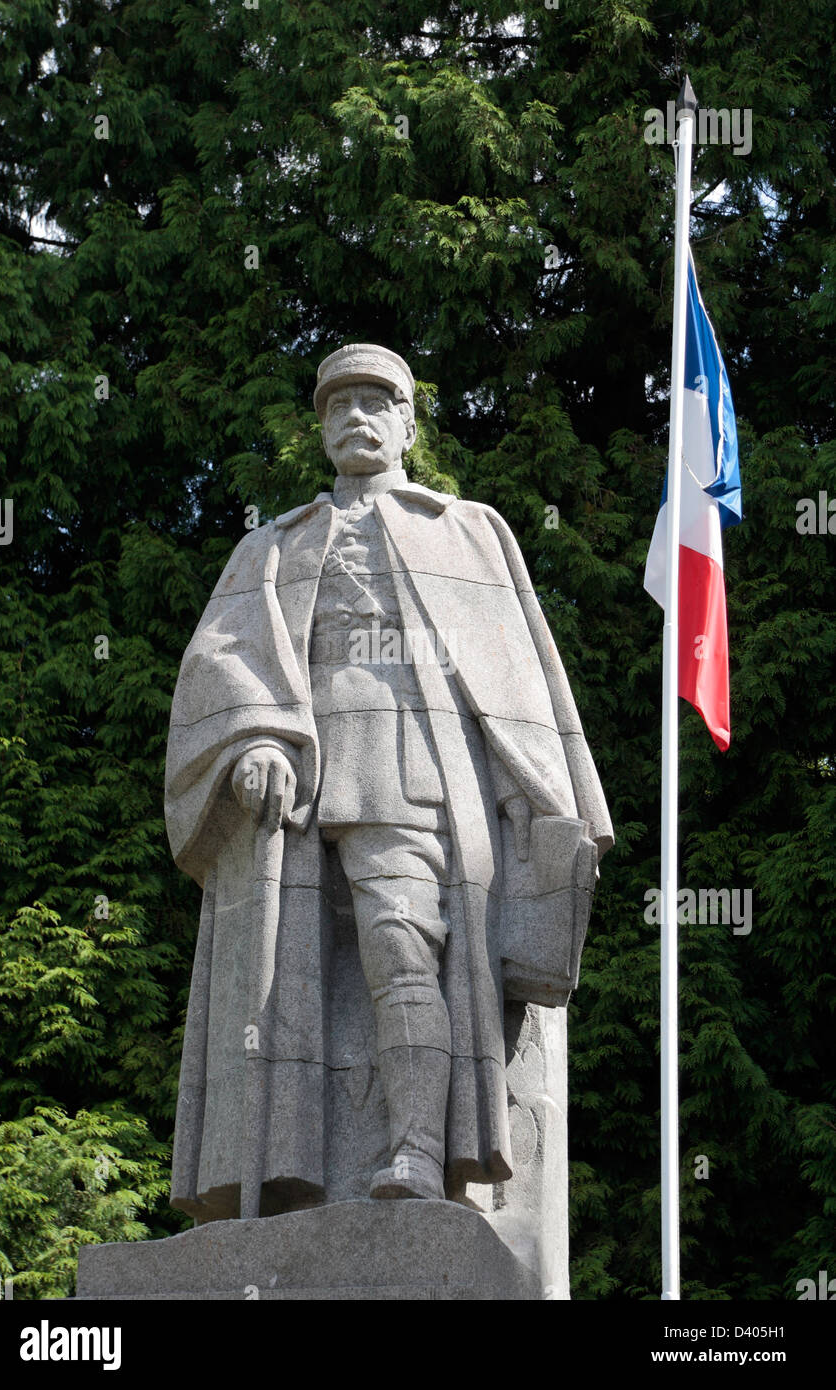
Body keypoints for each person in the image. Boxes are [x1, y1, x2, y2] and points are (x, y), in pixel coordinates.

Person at [165, 344, 612, 1221]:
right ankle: (292, 1180)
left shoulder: (466, 530)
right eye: (339, 406)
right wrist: (251, 739)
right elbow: (221, 664)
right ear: (322, 427)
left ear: (409, 422)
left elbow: (518, 686)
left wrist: (532, 809)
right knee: (274, 987)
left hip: (409, 780)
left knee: (404, 959)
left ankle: (416, 1149)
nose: (358, 418)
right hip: (290, 797)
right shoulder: (273, 544)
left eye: (378, 402)